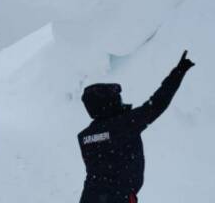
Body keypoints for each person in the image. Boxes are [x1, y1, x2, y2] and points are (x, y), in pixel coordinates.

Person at [78, 50, 195, 203]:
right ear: (108, 104)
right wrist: (178, 73)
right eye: (117, 99)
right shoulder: (122, 125)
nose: (121, 102)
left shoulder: (84, 137)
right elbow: (156, 104)